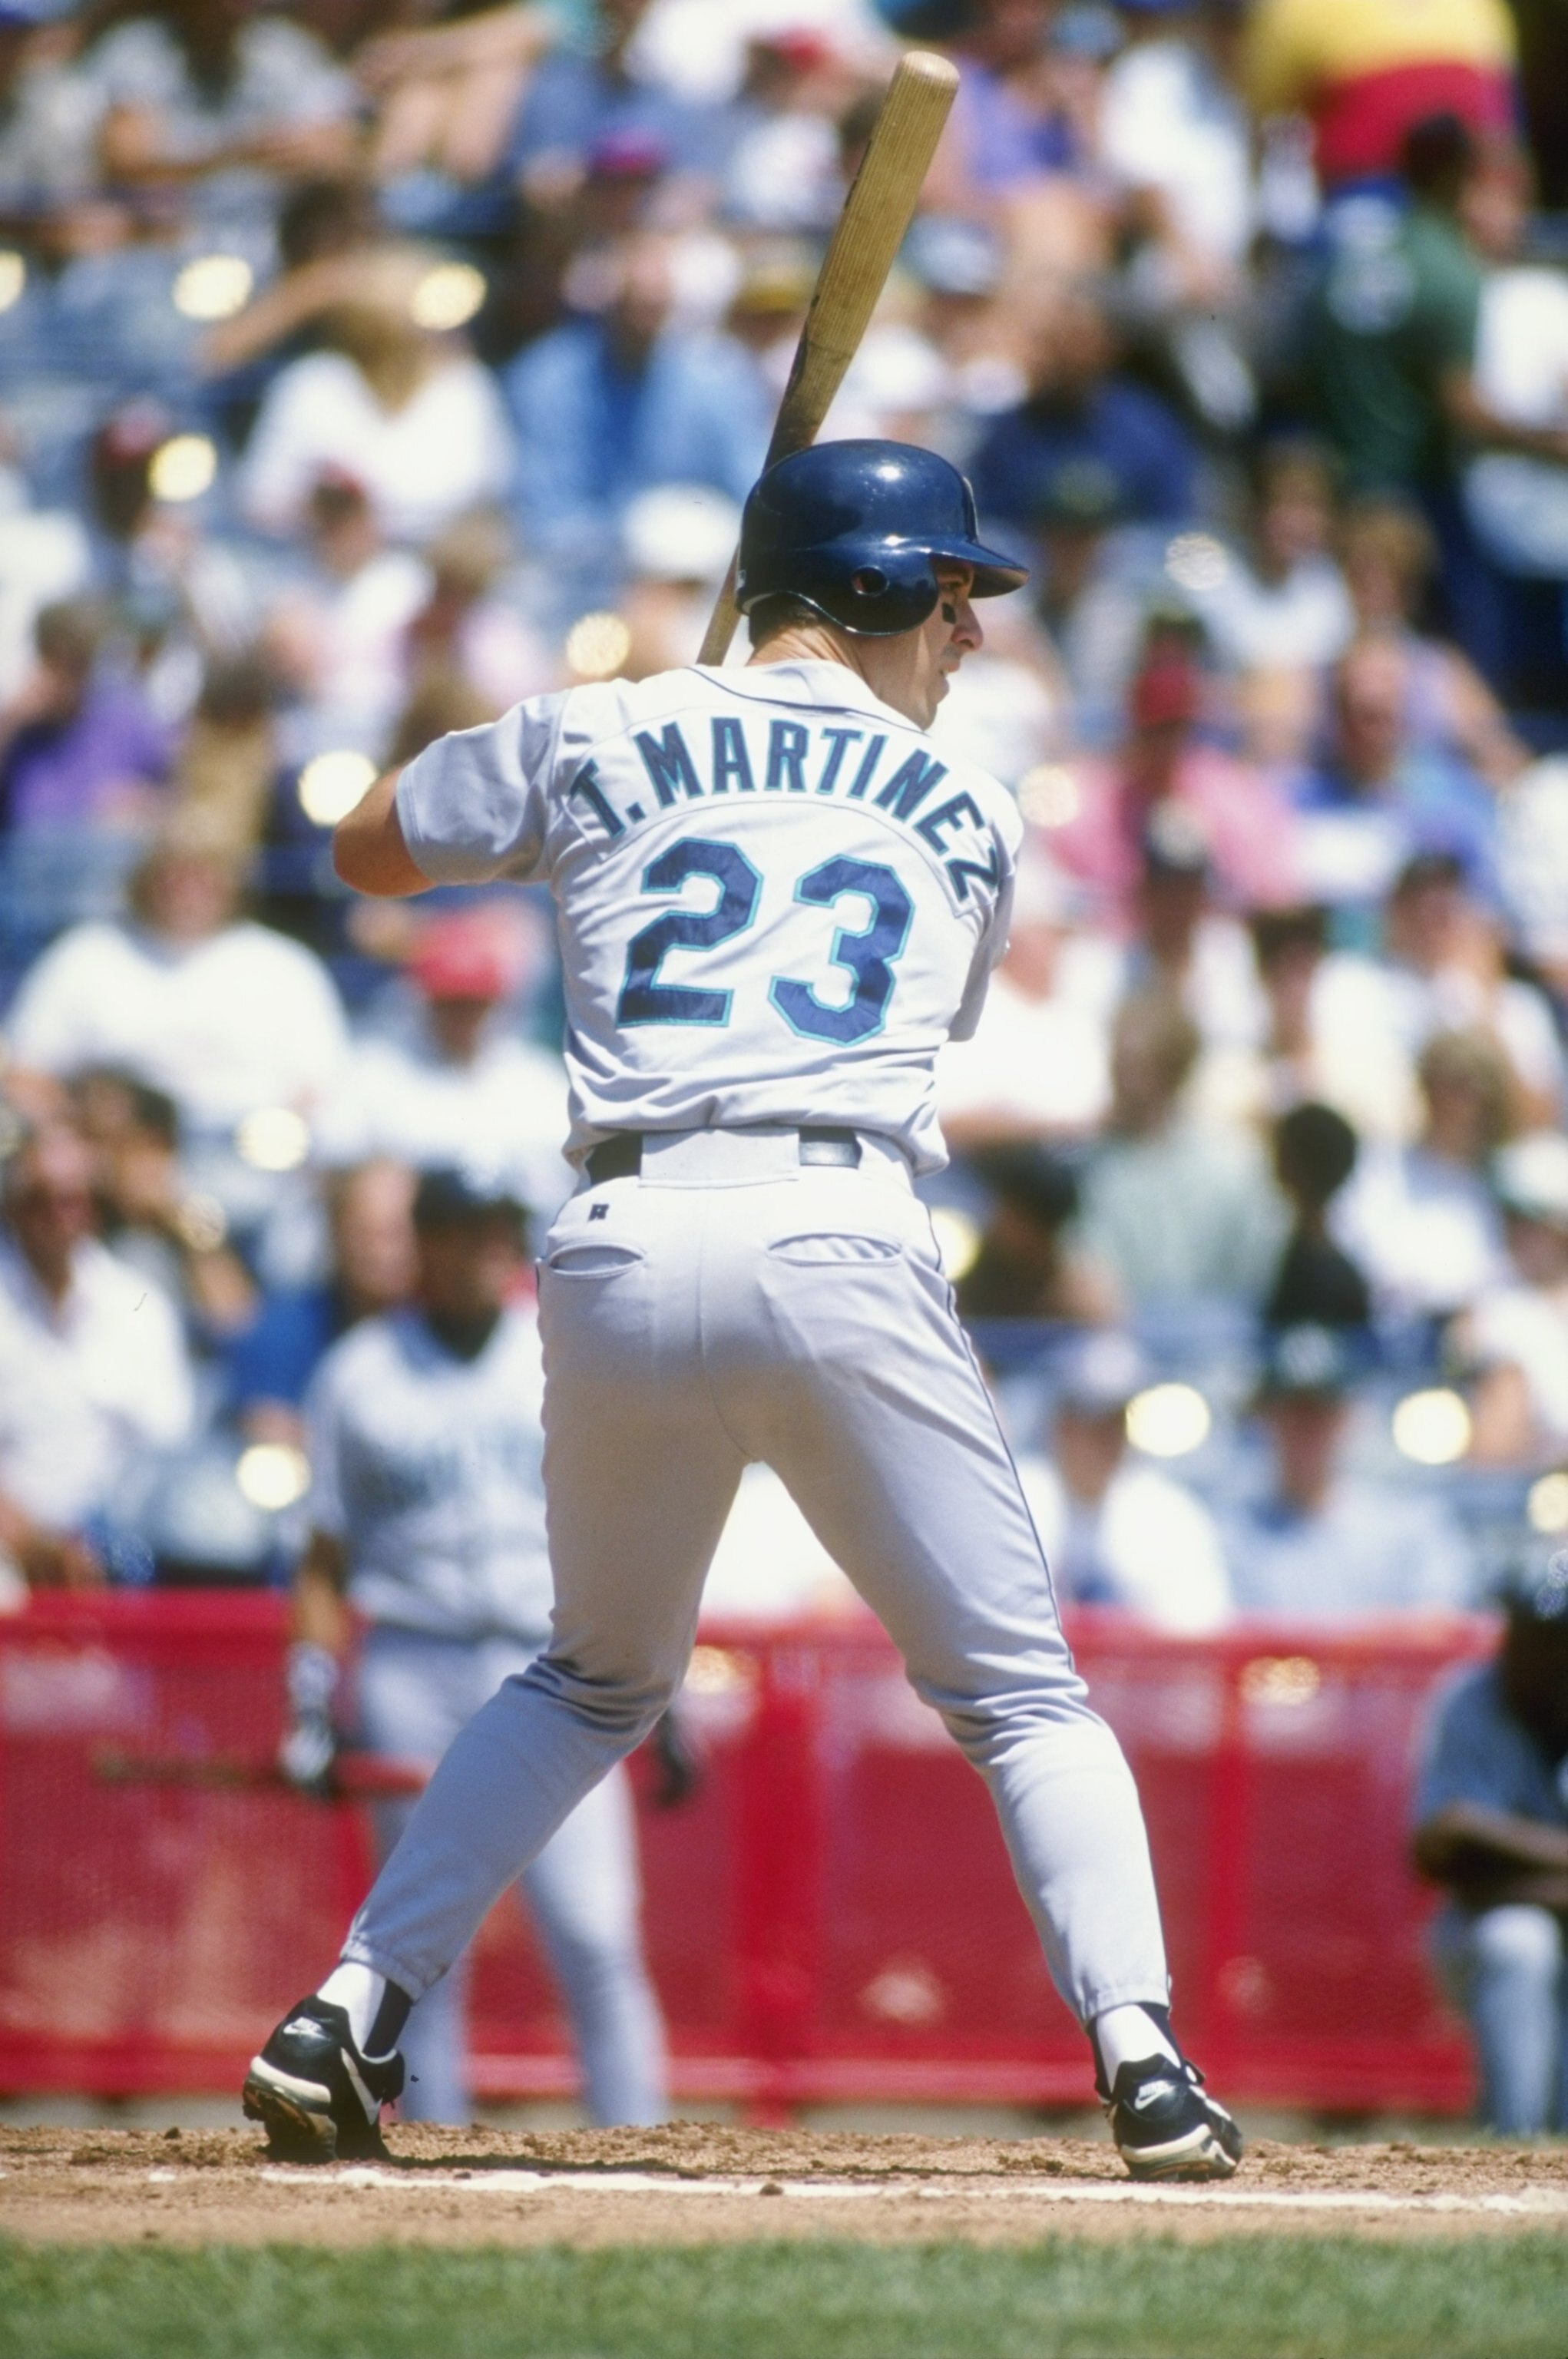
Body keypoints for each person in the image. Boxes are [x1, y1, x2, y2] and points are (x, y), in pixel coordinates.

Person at [244, 437, 1243, 2182]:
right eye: (943, 595)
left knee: (588, 1673)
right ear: (861, 591)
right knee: (1014, 1688)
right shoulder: (971, 808)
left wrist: (621, 739)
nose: (968, 635)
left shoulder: (592, 721)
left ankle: (346, 2001)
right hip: (839, 1219)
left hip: (621, 1234)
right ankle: (1144, 2059)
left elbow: (364, 852)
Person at [281, 1164, 668, 2127]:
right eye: (467, 1228)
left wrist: (673, 1693)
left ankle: (637, 2146)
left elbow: (636, 1524)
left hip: (563, 1666)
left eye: (501, 1227)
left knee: (595, 1933)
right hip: (414, 1662)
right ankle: (427, 2160)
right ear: (427, 1241)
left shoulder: (559, 1350)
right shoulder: (359, 1372)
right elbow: (323, 1558)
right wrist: (309, 1694)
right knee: (420, 1947)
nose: (490, 1246)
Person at [0, 1122, 194, 1597]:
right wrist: (31, 1541)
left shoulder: (140, 1305)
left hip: (120, 1547)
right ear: (13, 1208)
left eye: (74, 1198)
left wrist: (94, 1545)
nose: (60, 1215)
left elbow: (166, 1446)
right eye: (41, 1200)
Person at [1412, 1547, 1568, 2134]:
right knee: (1518, 1942)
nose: (1525, 1645)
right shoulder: (1469, 1699)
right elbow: (1436, 1853)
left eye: (1549, 1635)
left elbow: (1467, 1839)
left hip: (1505, 1899)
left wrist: (1491, 1837)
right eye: (1523, 1627)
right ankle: (1513, 2146)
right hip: (1481, 1928)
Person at [1222, 1322, 1474, 1618]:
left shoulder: (1408, 1530)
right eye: (1293, 1410)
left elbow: (1438, 1632)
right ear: (1266, 1416)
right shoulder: (1230, 1537)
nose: (1307, 1427)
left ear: (1349, 1416)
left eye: (1322, 1410)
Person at [1015, 1331, 1232, 1632]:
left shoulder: (1171, 1514)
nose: (1108, 1438)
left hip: (1140, 1678)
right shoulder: (1015, 1500)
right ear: (1060, 1424)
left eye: (1118, 1421)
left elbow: (1200, 1632)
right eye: (1091, 1420)